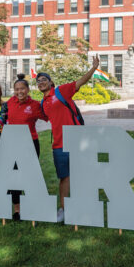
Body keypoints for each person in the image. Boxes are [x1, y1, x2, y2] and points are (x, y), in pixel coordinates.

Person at [37, 55, 99, 222]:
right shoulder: (43, 103)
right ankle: (64, 209)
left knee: (82, 175)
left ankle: (84, 207)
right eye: (38, 81)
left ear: (51, 82)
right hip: (58, 145)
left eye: (44, 79)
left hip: (77, 141)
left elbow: (80, 82)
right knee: (64, 177)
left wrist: (93, 68)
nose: (41, 82)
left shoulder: (61, 91)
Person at [6, 74, 47, 221]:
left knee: (30, 176)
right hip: (12, 144)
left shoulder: (35, 105)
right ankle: (17, 210)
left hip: (30, 143)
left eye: (22, 88)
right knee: (14, 177)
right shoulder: (9, 102)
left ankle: (33, 207)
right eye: (17, 89)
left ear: (28, 89)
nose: (19, 92)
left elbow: (49, 116)